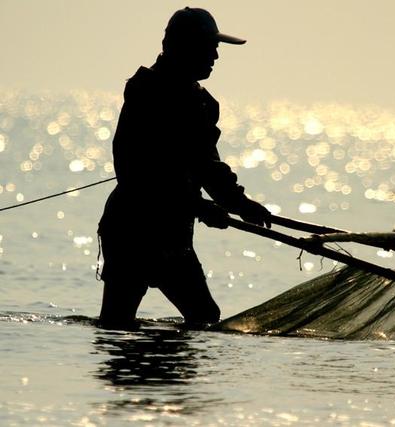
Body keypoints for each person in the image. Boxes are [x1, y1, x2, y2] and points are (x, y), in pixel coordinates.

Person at [97, 8, 271, 330]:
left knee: (197, 316)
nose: (216, 56)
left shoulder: (201, 102)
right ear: (184, 47)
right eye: (209, 46)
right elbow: (135, 173)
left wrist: (240, 205)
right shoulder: (147, 92)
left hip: (169, 230)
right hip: (135, 228)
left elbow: (208, 166)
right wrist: (202, 206)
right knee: (123, 321)